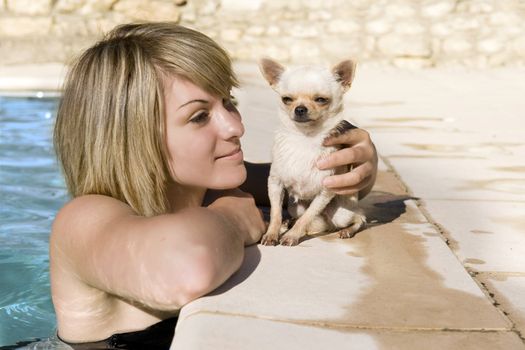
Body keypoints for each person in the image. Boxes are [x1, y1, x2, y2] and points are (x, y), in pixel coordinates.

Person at [50, 22, 378, 349]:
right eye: (199, 116)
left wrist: (354, 168)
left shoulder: (211, 185)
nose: (235, 125)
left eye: (229, 101)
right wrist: (234, 218)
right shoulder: (84, 220)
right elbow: (185, 270)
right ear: (129, 138)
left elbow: (308, 183)